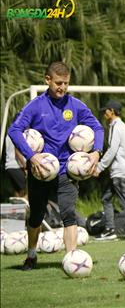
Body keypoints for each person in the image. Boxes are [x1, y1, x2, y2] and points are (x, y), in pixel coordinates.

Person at [8, 61, 104, 270]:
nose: (62, 87)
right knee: (36, 215)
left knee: (68, 213)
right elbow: (14, 130)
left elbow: (97, 128)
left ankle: (71, 259)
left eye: (66, 83)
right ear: (47, 80)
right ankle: (31, 255)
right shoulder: (35, 106)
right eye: (58, 83)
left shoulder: (76, 105)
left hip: (67, 169)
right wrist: (32, 157)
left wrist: (96, 152)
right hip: (41, 169)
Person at [94, 99, 125, 241]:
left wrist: (100, 167)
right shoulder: (124, 127)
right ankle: (110, 230)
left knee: (124, 201)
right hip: (120, 170)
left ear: (112, 111)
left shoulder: (117, 127)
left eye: (105, 111)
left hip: (119, 171)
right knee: (106, 198)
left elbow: (113, 149)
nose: (104, 113)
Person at [5, 120, 27, 198]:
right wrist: (25, 167)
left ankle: (17, 208)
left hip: (9, 166)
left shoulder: (9, 133)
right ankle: (25, 209)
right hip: (16, 166)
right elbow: (17, 152)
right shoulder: (17, 134)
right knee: (25, 190)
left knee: (17, 191)